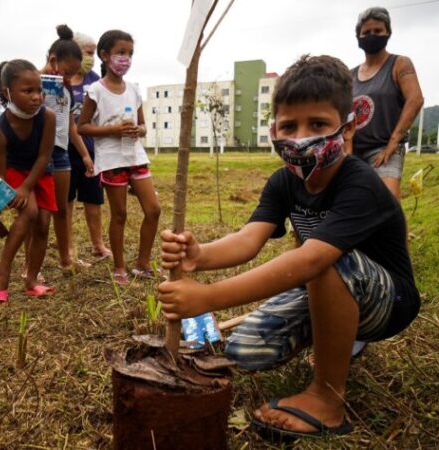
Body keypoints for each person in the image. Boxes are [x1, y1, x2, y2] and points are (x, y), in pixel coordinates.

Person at [158, 55, 420, 440]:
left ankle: (327, 400)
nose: (301, 137)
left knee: (324, 261)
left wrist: (208, 297)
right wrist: (201, 255)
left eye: (317, 124)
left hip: (387, 302)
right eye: (289, 126)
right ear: (274, 131)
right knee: (245, 351)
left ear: (345, 129)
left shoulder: (360, 183)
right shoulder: (283, 182)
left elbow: (312, 259)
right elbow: (249, 238)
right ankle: (339, 334)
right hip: (329, 286)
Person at [78, 29, 161, 285]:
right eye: (120, 53)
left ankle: (143, 264)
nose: (125, 59)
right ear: (104, 55)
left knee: (154, 210)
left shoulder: (134, 90)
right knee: (120, 215)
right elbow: (82, 127)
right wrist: (112, 130)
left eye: (130, 54)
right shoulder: (95, 91)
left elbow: (144, 125)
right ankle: (119, 267)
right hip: (112, 160)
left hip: (136, 156)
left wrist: (139, 129)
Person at [0, 59, 57, 302]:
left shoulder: (47, 117)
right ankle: (1, 271)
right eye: (28, 91)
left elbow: (44, 155)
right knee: (29, 213)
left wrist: (28, 187)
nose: (36, 97)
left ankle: (31, 279)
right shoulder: (1, 129)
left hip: (41, 170)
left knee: (42, 225)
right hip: (14, 172)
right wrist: (4, 193)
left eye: (39, 90)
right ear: (8, 92)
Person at [348, 7, 424, 199]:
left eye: (378, 31)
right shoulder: (350, 75)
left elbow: (415, 100)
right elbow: (344, 114)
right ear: (358, 36)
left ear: (387, 33)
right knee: (353, 203)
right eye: (366, 32)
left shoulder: (399, 64)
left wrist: (393, 143)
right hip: (354, 151)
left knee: (388, 204)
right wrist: (347, 152)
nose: (372, 35)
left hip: (383, 149)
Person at [39, 24, 94, 274]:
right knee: (39, 214)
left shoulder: (66, 89)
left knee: (62, 210)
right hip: (38, 154)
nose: (70, 78)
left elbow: (71, 126)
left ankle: (66, 259)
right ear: (52, 60)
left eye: (73, 75)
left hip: (61, 154)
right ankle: (33, 266)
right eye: (67, 72)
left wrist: (84, 154)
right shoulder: (34, 84)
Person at [67, 31, 111, 260]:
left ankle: (98, 245)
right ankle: (68, 248)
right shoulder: (59, 80)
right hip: (63, 153)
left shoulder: (95, 81)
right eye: (88, 53)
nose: (92, 58)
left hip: (92, 152)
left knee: (93, 199)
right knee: (66, 202)